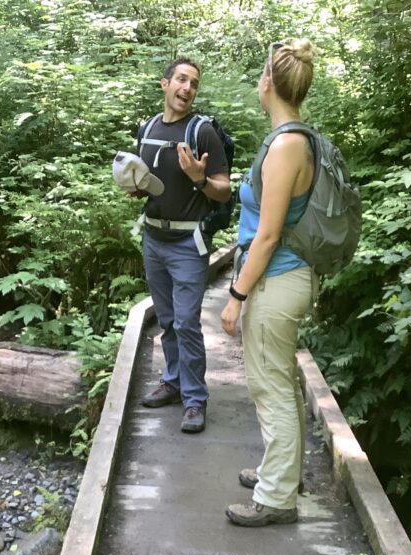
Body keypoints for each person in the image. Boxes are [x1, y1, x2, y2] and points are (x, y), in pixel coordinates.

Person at [220, 40, 317, 526]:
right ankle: (282, 473)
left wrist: (236, 296)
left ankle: (276, 498)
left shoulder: (286, 145)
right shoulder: (295, 137)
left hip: (277, 280)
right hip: (287, 277)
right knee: (279, 381)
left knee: (269, 386)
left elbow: (268, 234)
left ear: (267, 83)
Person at [134, 58, 231, 434]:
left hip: (188, 244)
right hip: (153, 238)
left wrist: (200, 178)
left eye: (193, 83)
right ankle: (172, 382)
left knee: (187, 322)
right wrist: (135, 188)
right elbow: (146, 181)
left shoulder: (202, 132)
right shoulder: (148, 128)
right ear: (165, 84)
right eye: (181, 80)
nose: (187, 88)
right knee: (167, 319)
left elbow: (223, 191)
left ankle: (195, 400)